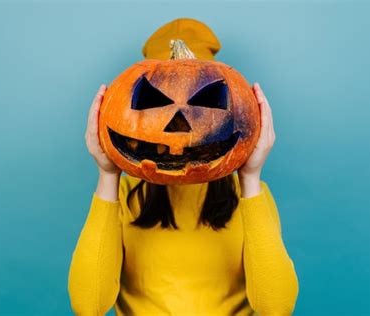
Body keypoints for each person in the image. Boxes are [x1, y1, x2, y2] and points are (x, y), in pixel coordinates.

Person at [68, 18, 299, 316]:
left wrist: (251, 176)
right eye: (154, 100)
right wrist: (107, 174)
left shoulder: (251, 196)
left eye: (205, 100)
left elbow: (277, 307)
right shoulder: (122, 196)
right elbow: (88, 305)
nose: (179, 125)